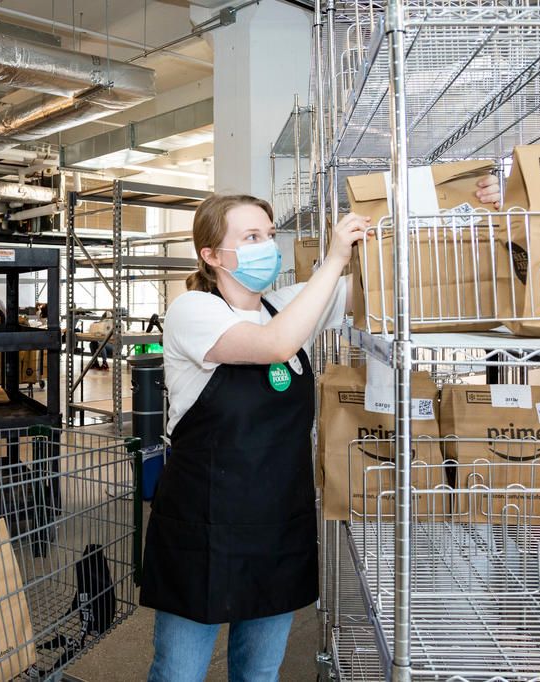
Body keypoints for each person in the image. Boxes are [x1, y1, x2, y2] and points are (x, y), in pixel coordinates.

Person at [140, 177, 500, 682]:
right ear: (212, 255)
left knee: (260, 673)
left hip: (278, 520)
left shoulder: (288, 303)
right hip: (204, 522)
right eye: (250, 237)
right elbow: (274, 345)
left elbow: (403, 278)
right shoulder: (193, 312)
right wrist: (332, 260)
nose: (266, 245)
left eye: (268, 234)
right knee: (178, 672)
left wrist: (478, 216)